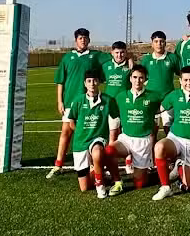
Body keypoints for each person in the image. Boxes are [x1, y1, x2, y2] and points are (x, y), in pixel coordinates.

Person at [47, 28, 108, 179]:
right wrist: (60, 101)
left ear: (89, 40)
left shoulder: (95, 56)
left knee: (91, 133)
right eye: (80, 38)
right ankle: (58, 165)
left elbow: (114, 57)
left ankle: (96, 165)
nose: (83, 40)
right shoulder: (67, 57)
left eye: (85, 38)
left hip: (90, 102)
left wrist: (129, 59)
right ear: (76, 40)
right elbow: (60, 81)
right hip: (70, 102)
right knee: (66, 132)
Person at [152, 66, 190, 200]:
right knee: (159, 147)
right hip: (176, 138)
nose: (188, 83)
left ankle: (180, 166)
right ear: (180, 81)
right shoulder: (174, 95)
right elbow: (158, 109)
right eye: (185, 80)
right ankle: (165, 187)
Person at [64, 70, 122, 198]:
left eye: (95, 80)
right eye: (89, 81)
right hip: (80, 142)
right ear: (85, 83)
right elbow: (71, 121)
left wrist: (113, 138)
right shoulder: (78, 100)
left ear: (99, 82)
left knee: (97, 151)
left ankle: (100, 185)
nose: (92, 84)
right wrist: (80, 132)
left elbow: (116, 119)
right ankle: (98, 172)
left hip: (98, 138)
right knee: (84, 188)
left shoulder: (108, 100)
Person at [106, 65, 164, 190]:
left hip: (143, 141)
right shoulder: (121, 96)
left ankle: (144, 169)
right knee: (109, 152)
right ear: (130, 78)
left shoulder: (154, 96)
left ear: (145, 79)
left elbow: (166, 106)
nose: (138, 81)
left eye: (141, 78)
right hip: (125, 139)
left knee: (140, 184)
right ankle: (117, 181)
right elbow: (113, 113)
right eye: (135, 77)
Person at [142, 30, 181, 134]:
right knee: (151, 129)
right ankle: (152, 150)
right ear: (152, 43)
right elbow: (141, 77)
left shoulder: (172, 58)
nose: (159, 44)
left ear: (165, 43)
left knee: (168, 127)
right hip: (151, 99)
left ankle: (171, 149)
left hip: (168, 98)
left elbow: (182, 74)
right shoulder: (146, 59)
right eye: (156, 41)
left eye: (161, 41)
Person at [102, 41, 132, 162]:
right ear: (112, 53)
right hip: (111, 107)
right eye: (117, 53)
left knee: (128, 135)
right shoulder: (106, 66)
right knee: (112, 135)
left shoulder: (130, 67)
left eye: (122, 52)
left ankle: (129, 161)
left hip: (126, 106)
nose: (119, 55)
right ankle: (111, 162)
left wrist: (131, 61)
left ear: (126, 53)